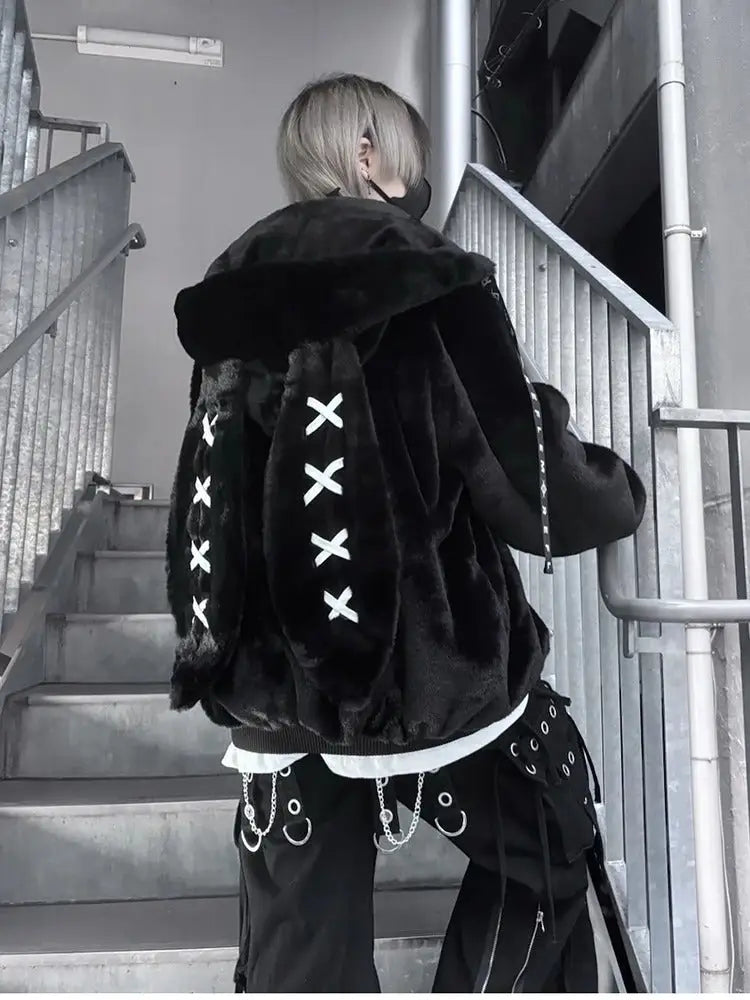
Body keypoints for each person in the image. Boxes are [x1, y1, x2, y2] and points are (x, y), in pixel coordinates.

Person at [166, 74, 645, 993]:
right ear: (366, 152)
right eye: (407, 153)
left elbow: (211, 491)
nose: (417, 176)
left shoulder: (232, 282)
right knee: (550, 843)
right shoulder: (422, 267)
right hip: (423, 668)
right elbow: (521, 469)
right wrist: (617, 491)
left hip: (271, 681)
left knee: (301, 942)